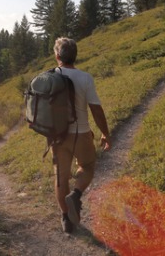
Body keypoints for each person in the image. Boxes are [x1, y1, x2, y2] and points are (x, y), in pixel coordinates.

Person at [51, 37, 111, 233]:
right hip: (82, 133)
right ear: (75, 55)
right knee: (87, 167)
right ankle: (76, 195)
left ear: (57, 55)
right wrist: (105, 133)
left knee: (60, 177)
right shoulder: (85, 78)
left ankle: (66, 219)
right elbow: (96, 109)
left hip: (58, 136)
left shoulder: (50, 76)